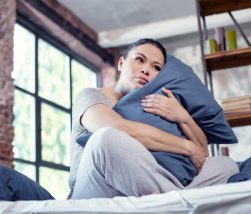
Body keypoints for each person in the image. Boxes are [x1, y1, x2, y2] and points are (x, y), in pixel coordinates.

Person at [69, 38, 239, 199]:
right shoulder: (90, 96)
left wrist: (182, 115)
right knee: (104, 139)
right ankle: (176, 201)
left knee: (226, 165)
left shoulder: (157, 104)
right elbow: (120, 128)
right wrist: (186, 146)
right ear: (121, 63)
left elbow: (203, 155)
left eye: (156, 68)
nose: (146, 70)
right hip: (95, 186)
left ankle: (169, 201)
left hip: (146, 184)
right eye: (139, 60)